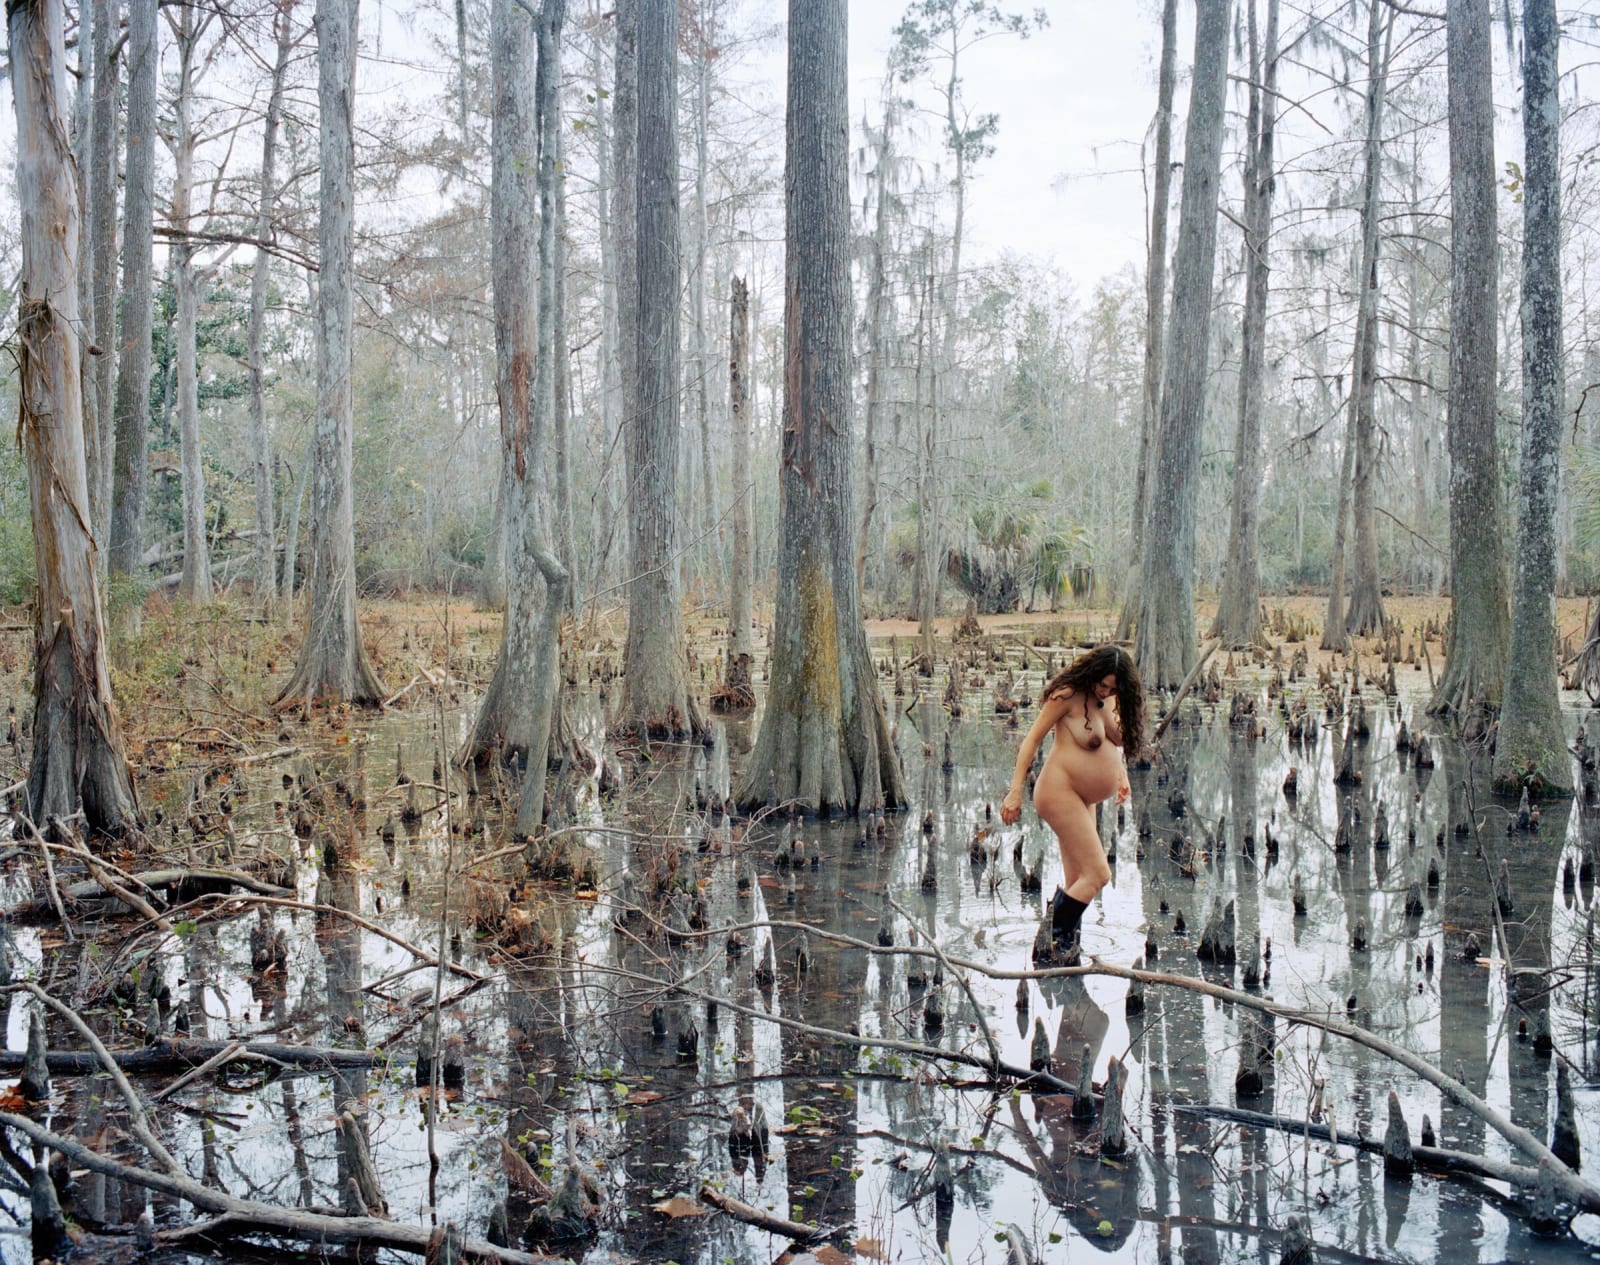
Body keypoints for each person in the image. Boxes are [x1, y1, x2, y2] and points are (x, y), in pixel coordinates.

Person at [1001, 643, 1144, 954]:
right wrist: (1015, 791)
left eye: (1113, 688)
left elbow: (1112, 742)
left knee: (1079, 879)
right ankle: (1046, 944)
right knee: (1098, 875)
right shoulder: (1066, 695)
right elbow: (1032, 740)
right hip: (1058, 792)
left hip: (1083, 798)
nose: (1105, 691)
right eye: (1102, 684)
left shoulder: (1110, 699)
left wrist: (1121, 773)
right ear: (1092, 672)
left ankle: (1064, 950)